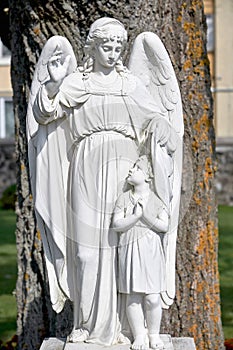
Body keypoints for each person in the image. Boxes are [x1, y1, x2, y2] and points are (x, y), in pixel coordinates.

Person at [31, 17, 175, 345]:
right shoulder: (76, 83)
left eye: (118, 48)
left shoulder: (131, 86)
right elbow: (44, 114)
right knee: (85, 253)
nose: (112, 54)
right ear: (92, 48)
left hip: (123, 168)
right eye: (106, 47)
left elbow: (156, 120)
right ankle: (87, 326)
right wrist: (52, 85)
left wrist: (162, 127)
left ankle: (129, 329)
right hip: (85, 166)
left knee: (124, 247)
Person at [112, 156, 168, 350]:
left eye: (136, 168)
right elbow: (117, 224)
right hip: (130, 248)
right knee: (133, 297)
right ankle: (139, 336)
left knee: (153, 297)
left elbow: (164, 226)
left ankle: (153, 334)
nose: (131, 170)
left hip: (150, 251)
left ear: (147, 176)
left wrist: (144, 215)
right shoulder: (124, 198)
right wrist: (135, 217)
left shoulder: (155, 200)